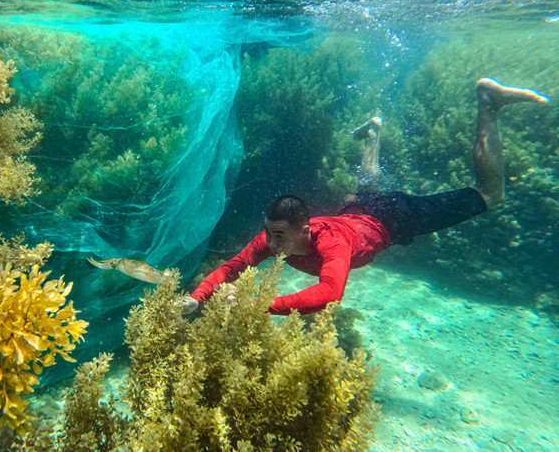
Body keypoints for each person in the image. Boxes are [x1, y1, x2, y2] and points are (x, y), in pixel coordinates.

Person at [179, 78, 550, 315]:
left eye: (278, 236)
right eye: (269, 233)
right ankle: (374, 132)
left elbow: (329, 292)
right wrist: (197, 297)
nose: (269, 244)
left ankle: (488, 101)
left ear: (304, 230)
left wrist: (258, 305)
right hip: (357, 212)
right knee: (367, 188)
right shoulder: (274, 237)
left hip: (394, 216)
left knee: (490, 194)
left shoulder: (331, 245)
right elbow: (231, 267)